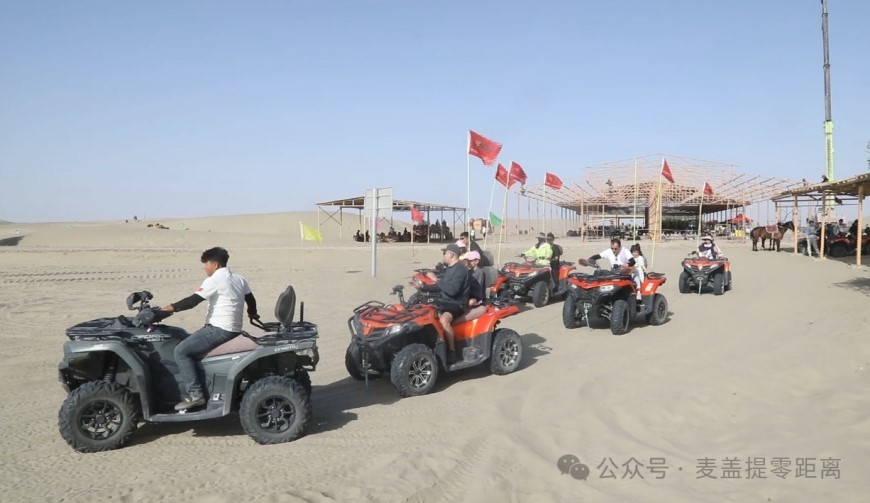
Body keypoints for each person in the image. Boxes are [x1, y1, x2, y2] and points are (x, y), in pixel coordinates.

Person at [157, 247, 259, 411]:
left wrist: (164, 310)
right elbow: (250, 298)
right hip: (233, 329)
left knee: (181, 351)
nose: (205, 268)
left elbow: (192, 301)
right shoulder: (239, 279)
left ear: (215, 265)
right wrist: (252, 313)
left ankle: (195, 394)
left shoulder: (215, 279)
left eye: (206, 264)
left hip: (219, 329)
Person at [420, 243, 469, 363]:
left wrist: (435, 279)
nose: (443, 255)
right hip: (444, 301)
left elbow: (452, 291)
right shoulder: (450, 268)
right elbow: (441, 287)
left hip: (456, 303)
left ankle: (452, 351)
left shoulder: (461, 270)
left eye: (445, 253)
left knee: (444, 320)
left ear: (451, 255)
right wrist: (423, 287)